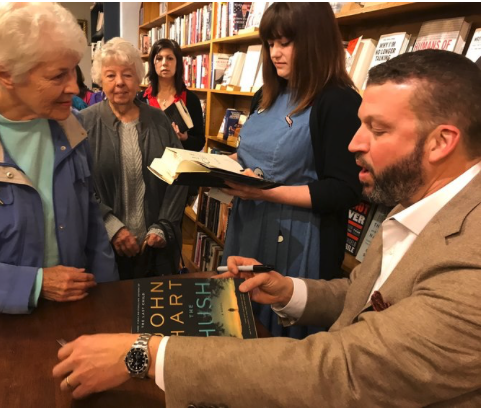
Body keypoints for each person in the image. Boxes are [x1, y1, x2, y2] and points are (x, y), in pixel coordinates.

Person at [53, 49, 481, 407]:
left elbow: (345, 370)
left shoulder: (471, 261)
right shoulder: (418, 202)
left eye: (377, 129)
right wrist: (290, 289)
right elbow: (367, 298)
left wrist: (144, 355)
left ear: (441, 142)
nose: (354, 143)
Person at [0, 2, 118, 314]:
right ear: (5, 74)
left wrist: (108, 305)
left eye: (74, 71)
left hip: (75, 315)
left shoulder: (72, 127)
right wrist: (34, 283)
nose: (74, 87)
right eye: (57, 76)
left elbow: (91, 224)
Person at [220, 2, 362, 338]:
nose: (275, 54)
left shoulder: (339, 102)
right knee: (238, 325)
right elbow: (251, 158)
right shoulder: (265, 96)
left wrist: (265, 191)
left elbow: (345, 189)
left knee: (279, 344)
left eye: (285, 43)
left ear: (316, 42)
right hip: (249, 225)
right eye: (270, 43)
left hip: (299, 240)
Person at [79, 38, 187, 279]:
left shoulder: (159, 121)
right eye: (110, 75)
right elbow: (78, 184)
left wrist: (164, 225)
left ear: (138, 78)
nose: (119, 82)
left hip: (155, 249)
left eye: (127, 75)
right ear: (100, 80)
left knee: (155, 311)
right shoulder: (84, 123)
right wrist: (112, 227)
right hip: (104, 246)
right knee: (111, 313)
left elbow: (180, 174)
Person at [137, 38, 205, 152]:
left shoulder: (191, 100)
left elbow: (199, 143)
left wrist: (185, 138)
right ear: (152, 64)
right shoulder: (141, 99)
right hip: (148, 164)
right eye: (159, 58)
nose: (164, 63)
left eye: (170, 58)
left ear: (178, 63)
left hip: (179, 165)